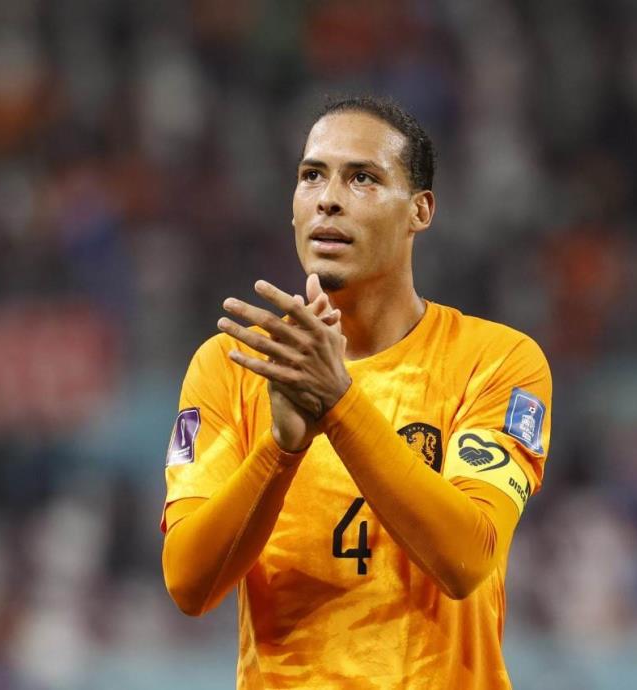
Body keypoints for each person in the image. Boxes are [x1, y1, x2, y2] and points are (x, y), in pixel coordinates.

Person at [161, 96, 552, 690]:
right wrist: (280, 450)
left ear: (420, 210)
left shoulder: (495, 361)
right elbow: (189, 585)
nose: (328, 199)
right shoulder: (233, 365)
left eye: (362, 178)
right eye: (311, 175)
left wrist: (339, 404)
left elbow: (467, 560)